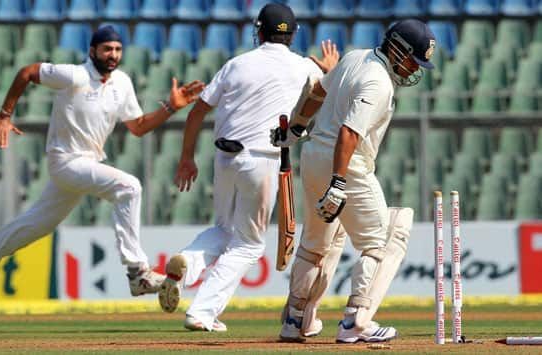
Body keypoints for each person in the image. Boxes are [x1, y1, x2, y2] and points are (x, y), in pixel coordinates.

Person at [0, 26, 204, 310]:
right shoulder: (75, 75)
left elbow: (138, 127)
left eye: (118, 50)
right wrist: (4, 114)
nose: (113, 55)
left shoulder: (122, 82)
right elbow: (26, 72)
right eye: (107, 49)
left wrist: (170, 108)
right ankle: (137, 273)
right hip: (65, 161)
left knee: (34, 226)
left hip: (85, 165)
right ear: (92, 51)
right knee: (129, 187)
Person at [156, 3, 339, 332]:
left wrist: (186, 158)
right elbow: (325, 93)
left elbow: (197, 112)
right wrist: (327, 69)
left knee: (225, 230)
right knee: (249, 244)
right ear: (293, 34)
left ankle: (190, 261)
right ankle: (203, 312)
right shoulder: (303, 68)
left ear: (259, 32)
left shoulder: (236, 65)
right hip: (262, 160)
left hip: (224, 158)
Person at [271, 19, 436, 342]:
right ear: (398, 49)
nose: (413, 69)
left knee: (315, 245)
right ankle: (356, 321)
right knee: (384, 238)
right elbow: (349, 132)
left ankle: (294, 320)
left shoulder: (353, 58)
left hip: (314, 156)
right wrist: (338, 182)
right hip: (347, 164)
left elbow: (317, 91)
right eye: (412, 60)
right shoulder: (379, 83)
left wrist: (295, 128)